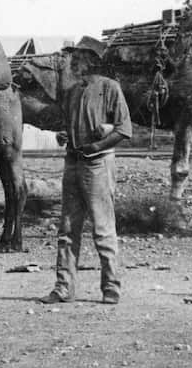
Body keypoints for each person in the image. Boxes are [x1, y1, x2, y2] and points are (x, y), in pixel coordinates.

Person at [41, 36, 133, 306]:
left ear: (92, 61)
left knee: (103, 228)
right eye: (74, 57)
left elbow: (123, 130)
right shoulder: (72, 92)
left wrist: (97, 146)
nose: (74, 61)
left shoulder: (110, 88)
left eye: (79, 57)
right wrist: (64, 135)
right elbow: (70, 127)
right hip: (73, 162)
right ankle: (63, 287)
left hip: (97, 164)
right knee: (67, 229)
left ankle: (111, 287)